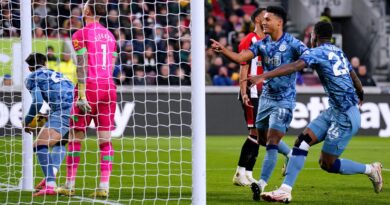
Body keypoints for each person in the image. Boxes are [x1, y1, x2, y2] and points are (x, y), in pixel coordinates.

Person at [248, 21, 383, 203]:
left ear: (315, 36)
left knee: (327, 163)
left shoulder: (317, 52)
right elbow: (353, 76)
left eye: (311, 35)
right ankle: (285, 190)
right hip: (335, 110)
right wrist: (361, 92)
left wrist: (264, 75)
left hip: (345, 116)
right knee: (302, 142)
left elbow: (295, 66)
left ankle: (370, 169)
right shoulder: (338, 51)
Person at [211, 6, 305, 200]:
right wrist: (223, 51)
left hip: (284, 100)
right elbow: (240, 58)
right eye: (263, 19)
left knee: (271, 142)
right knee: (260, 139)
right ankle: (291, 156)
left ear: (279, 22)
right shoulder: (262, 44)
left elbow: (305, 62)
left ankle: (261, 184)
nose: (264, 22)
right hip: (265, 99)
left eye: (268, 19)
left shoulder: (294, 44)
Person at [56, 0, 117, 198]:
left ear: (88, 11)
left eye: (84, 6)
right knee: (105, 140)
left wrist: (81, 92)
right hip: (109, 87)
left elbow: (81, 65)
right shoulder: (110, 35)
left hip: (89, 86)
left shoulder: (80, 34)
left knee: (75, 137)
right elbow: (112, 64)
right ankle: (103, 187)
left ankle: (69, 184)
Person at [24, 53, 73, 196]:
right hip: (78, 109)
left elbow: (38, 102)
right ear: (45, 63)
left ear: (29, 68)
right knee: (59, 144)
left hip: (63, 109)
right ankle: (49, 178)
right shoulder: (58, 73)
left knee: (39, 144)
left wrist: (27, 121)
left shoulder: (32, 78)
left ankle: (50, 185)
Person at [233, 7, 267, 186]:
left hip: (264, 92)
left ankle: (248, 172)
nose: (267, 19)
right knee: (254, 132)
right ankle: (240, 172)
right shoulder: (249, 40)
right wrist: (244, 91)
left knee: (260, 134)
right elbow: (243, 67)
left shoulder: (268, 41)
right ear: (256, 20)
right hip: (251, 92)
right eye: (264, 17)